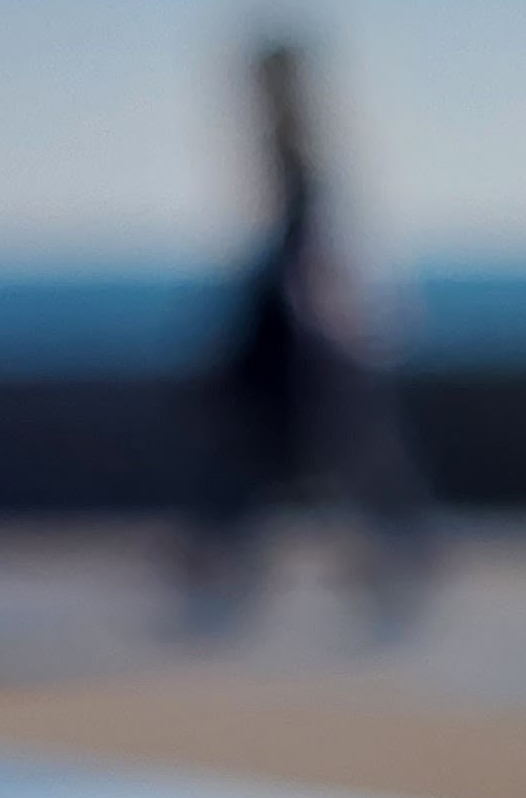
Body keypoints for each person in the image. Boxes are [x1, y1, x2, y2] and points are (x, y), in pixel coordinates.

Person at [176, 34, 433, 626]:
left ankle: (387, 564)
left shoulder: (300, 160)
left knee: (318, 452)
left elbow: (309, 248)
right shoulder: (298, 156)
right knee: (308, 454)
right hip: (301, 329)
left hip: (303, 334)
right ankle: (385, 563)